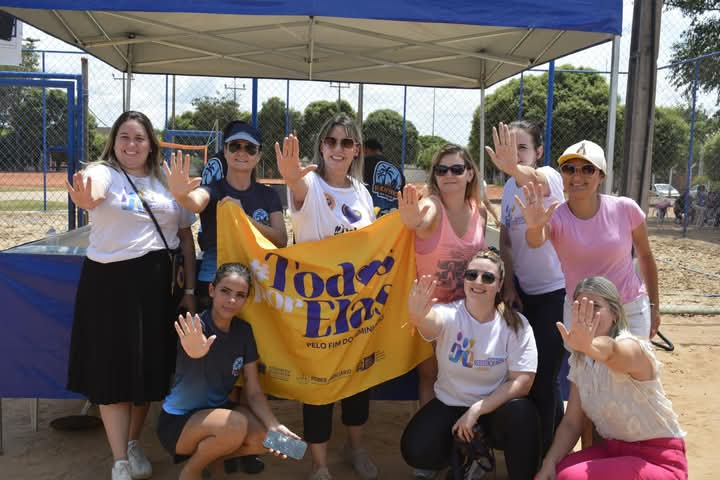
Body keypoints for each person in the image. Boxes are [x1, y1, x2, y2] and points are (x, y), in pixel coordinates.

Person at [65, 111, 196, 480]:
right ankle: (119, 459)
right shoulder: (105, 172)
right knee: (113, 372)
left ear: (151, 143)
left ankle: (134, 443)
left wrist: (188, 290)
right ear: (114, 141)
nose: (131, 144)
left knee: (147, 373)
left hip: (158, 290)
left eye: (139, 138)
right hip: (109, 287)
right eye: (124, 136)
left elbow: (186, 237)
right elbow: (92, 188)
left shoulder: (166, 182)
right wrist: (86, 194)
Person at [275, 114, 377, 480]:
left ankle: (355, 447)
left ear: (356, 150)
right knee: (318, 389)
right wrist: (290, 176)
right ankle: (319, 466)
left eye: (346, 143)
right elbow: (298, 192)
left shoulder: (362, 192)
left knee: (356, 383)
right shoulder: (308, 185)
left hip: (355, 310)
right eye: (331, 141)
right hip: (317, 310)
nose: (338, 148)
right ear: (321, 146)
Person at [401, 250, 541, 480]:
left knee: (522, 413)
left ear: (499, 285)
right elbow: (430, 323)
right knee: (415, 449)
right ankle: (467, 455)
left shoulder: (516, 325)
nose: (478, 282)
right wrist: (418, 316)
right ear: (464, 279)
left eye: (488, 278)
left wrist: (477, 410)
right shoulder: (449, 314)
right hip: (451, 405)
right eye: (472, 275)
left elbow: (523, 382)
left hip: (494, 410)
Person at [157, 263, 301, 480]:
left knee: (272, 440)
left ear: (245, 300)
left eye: (240, 295)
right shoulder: (196, 328)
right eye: (225, 291)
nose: (232, 300)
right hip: (179, 422)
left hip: (221, 415)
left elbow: (253, 392)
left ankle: (212, 458)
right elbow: (193, 352)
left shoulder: (244, 331)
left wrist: (275, 424)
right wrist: (196, 351)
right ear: (212, 290)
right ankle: (191, 472)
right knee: (236, 425)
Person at [535, 276, 687, 480]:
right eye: (579, 306)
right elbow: (572, 422)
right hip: (615, 451)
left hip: (659, 460)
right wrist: (549, 463)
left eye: (595, 306)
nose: (586, 313)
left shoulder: (632, 346)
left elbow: (611, 352)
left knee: (571, 477)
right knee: (561, 469)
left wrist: (588, 346)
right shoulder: (580, 361)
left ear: (615, 313)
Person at [398, 143, 489, 479]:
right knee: (431, 378)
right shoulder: (432, 205)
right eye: (441, 170)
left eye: (456, 169)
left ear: (469, 173)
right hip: (430, 313)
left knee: (469, 379)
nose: (449, 175)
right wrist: (412, 218)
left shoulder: (477, 208)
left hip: (469, 314)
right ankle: (431, 452)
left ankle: (469, 448)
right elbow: (422, 218)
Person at [517, 140, 661, 340]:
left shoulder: (626, 209)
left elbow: (645, 256)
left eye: (587, 169)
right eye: (569, 169)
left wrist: (654, 305)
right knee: (586, 370)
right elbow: (535, 241)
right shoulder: (556, 216)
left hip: (629, 308)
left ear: (601, 175)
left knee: (632, 369)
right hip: (582, 312)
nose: (577, 176)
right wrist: (534, 227)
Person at [484, 121, 566, 455]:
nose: (515, 156)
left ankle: (546, 459)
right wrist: (509, 286)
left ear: (538, 152)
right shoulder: (506, 190)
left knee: (543, 379)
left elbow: (534, 179)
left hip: (555, 294)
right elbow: (505, 241)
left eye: (522, 148)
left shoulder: (549, 176)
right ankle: (543, 448)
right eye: (509, 148)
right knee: (527, 377)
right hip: (523, 295)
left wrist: (513, 167)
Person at [165, 121, 287, 311]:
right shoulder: (213, 190)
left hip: (257, 282)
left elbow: (281, 239)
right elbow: (195, 202)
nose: (241, 152)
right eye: (235, 146)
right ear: (225, 151)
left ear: (258, 155)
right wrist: (181, 195)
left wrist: (243, 218)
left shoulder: (268, 195)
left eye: (250, 148)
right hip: (215, 282)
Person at [362, 138, 406, 217]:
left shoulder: (364, 163)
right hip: (391, 220)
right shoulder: (397, 169)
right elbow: (403, 198)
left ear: (365, 149)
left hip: (369, 219)